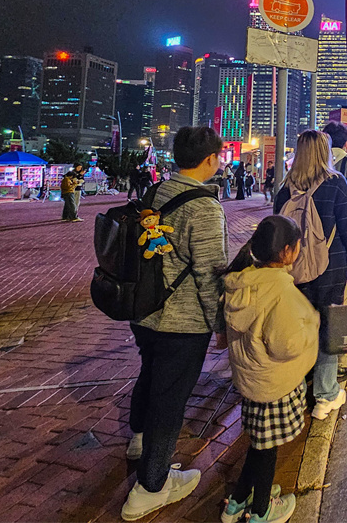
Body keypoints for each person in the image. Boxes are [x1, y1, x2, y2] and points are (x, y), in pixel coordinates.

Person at [121, 126, 228, 522]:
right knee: (171, 397)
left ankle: (139, 440)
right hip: (181, 320)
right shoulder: (203, 207)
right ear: (210, 160)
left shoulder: (156, 191)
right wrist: (220, 323)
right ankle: (151, 486)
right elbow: (209, 274)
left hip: (143, 309)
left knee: (150, 374)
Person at [220, 215, 316, 523]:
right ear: (288, 251)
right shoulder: (280, 293)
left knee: (259, 445)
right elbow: (286, 344)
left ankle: (236, 501)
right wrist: (311, 324)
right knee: (267, 449)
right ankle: (262, 510)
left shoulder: (242, 281)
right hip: (274, 383)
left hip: (251, 380)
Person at [273, 130, 347, 421]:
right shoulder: (336, 184)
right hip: (331, 268)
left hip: (292, 272)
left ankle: (295, 393)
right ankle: (325, 395)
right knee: (329, 328)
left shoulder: (286, 188)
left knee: (299, 329)